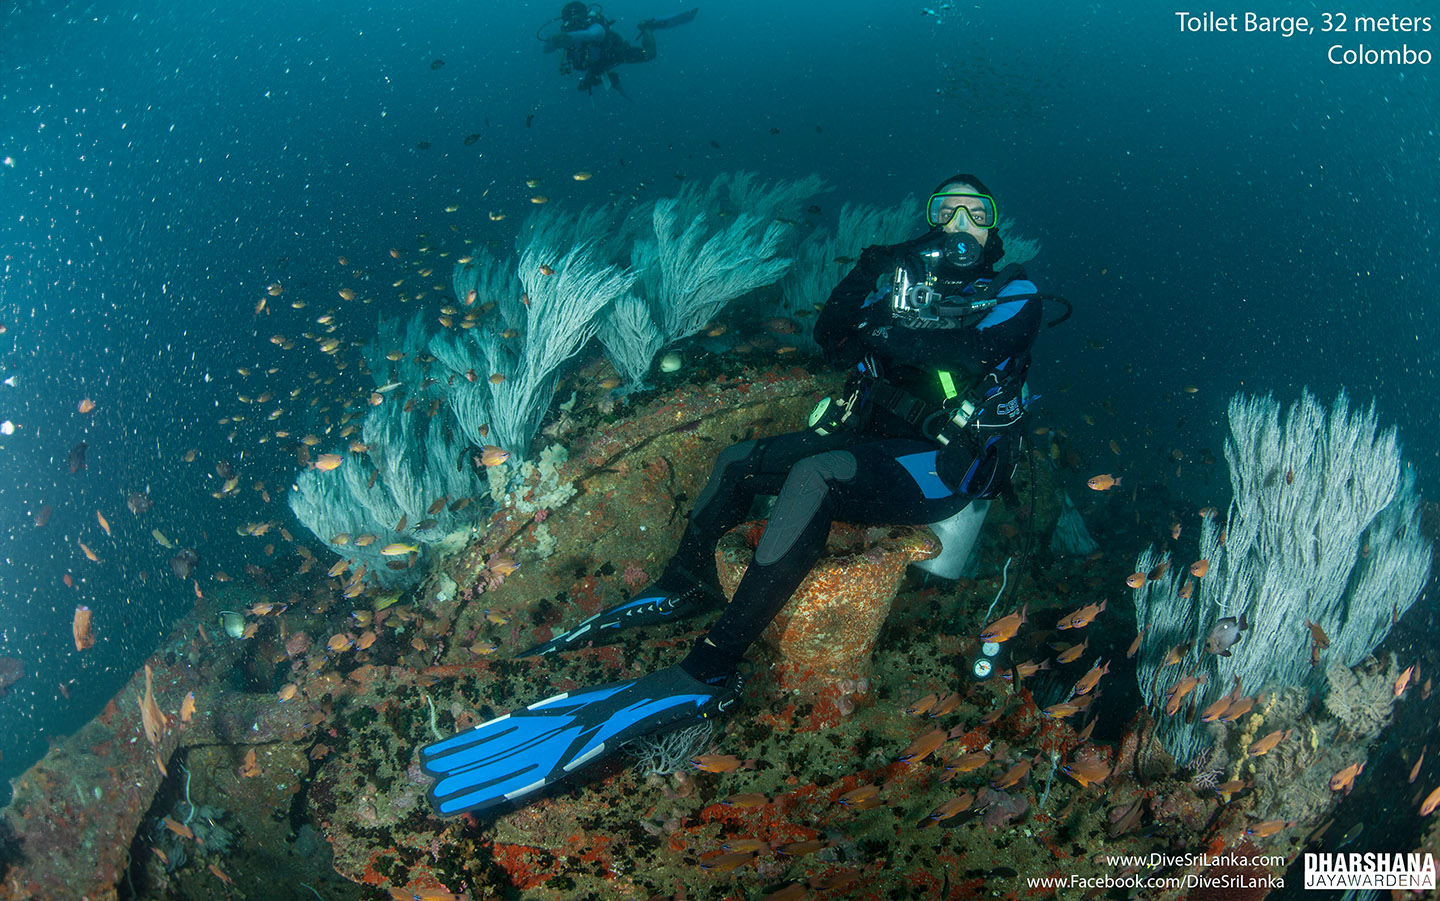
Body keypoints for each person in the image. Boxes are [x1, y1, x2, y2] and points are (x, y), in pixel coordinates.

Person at [420, 174, 1049, 817]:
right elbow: (832, 337)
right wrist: (873, 268)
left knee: (816, 477)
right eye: (948, 209)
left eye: (977, 211)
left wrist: (886, 332)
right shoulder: (904, 286)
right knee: (738, 460)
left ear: (993, 227)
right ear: (933, 220)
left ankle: (713, 666)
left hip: (941, 467)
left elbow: (982, 350)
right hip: (871, 446)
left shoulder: (1012, 288)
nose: (961, 220)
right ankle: (684, 582)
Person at [539, 3, 698, 95]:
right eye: (570, 19)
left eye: (577, 17)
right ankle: (604, 76)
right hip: (598, 64)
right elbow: (545, 50)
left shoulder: (593, 24)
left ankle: (648, 27)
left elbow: (595, 34)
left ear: (584, 15)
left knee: (649, 54)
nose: (574, 21)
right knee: (587, 81)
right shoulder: (565, 36)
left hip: (617, 53)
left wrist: (569, 37)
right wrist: (553, 40)